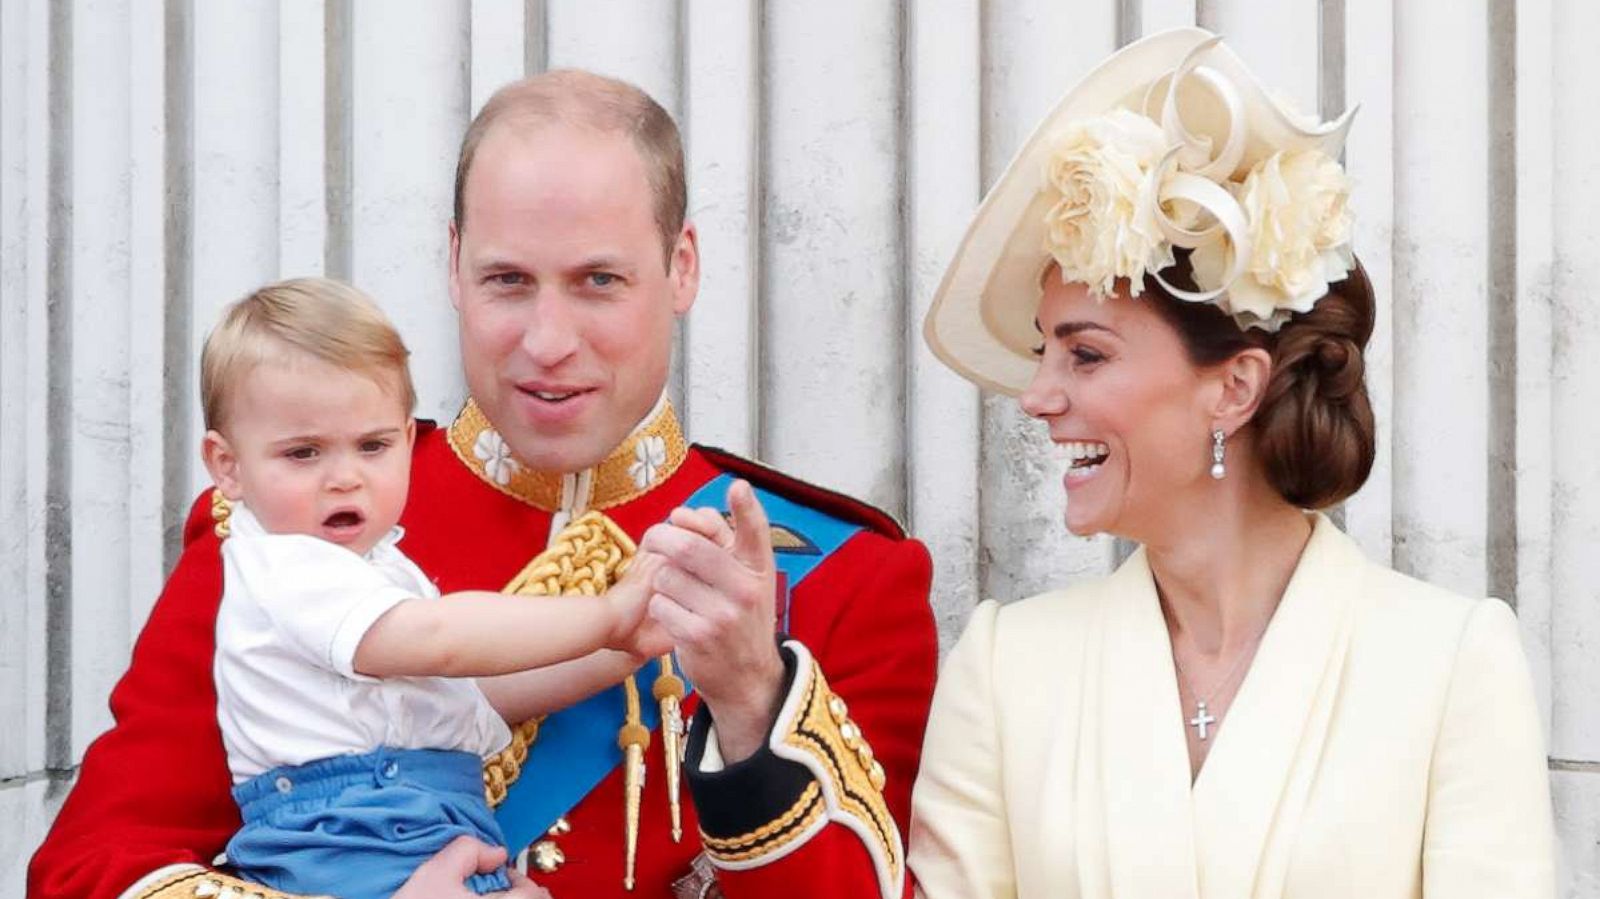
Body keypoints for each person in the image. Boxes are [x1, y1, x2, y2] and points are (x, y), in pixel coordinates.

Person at [29, 70, 938, 899]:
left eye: (598, 281)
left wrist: (749, 705)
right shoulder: (281, 523)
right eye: (508, 279)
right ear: (453, 266)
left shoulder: (847, 579)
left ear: (683, 266)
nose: (547, 340)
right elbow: (87, 873)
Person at [910, 28, 1556, 898]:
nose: (1037, 396)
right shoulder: (1003, 668)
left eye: (1086, 355)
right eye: (1044, 354)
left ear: (1235, 388)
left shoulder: (1449, 663)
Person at [197, 278, 671, 898]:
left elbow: (480, 697)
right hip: (352, 835)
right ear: (227, 466)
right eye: (304, 453)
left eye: (373, 446)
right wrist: (606, 614)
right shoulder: (285, 566)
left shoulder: (380, 571)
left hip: (413, 824)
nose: (345, 478)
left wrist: (625, 649)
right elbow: (441, 640)